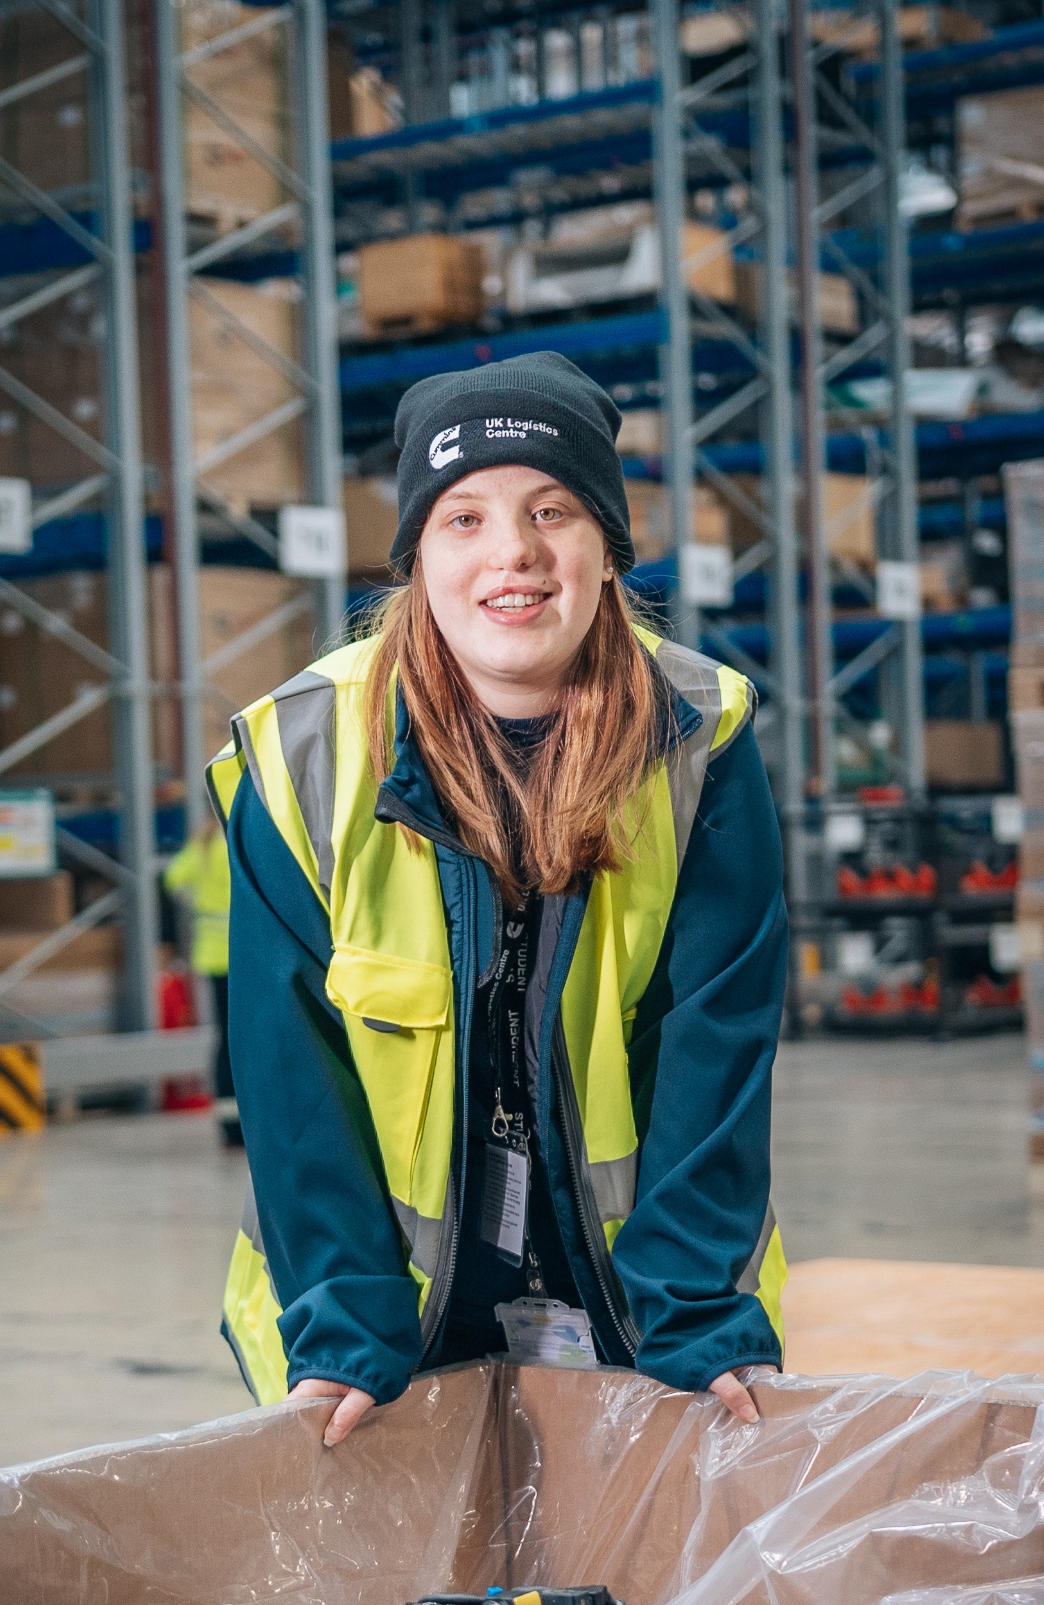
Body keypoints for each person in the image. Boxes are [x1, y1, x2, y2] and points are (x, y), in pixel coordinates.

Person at [207, 353, 787, 1444]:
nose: (512, 552)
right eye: (462, 517)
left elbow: (712, 1032)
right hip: (377, 1304)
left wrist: (694, 1309)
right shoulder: (303, 749)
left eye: (552, 509)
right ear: (417, 558)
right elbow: (292, 1066)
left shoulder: (700, 736)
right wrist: (343, 1325)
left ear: (607, 551)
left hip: (634, 1295)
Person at [163, 821, 241, 1146]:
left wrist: (196, 901)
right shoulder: (236, 840)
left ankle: (227, 1122)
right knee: (245, 1038)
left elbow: (173, 878)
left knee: (225, 1037)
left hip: (211, 954)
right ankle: (245, 1122)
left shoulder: (204, 844)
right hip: (241, 952)